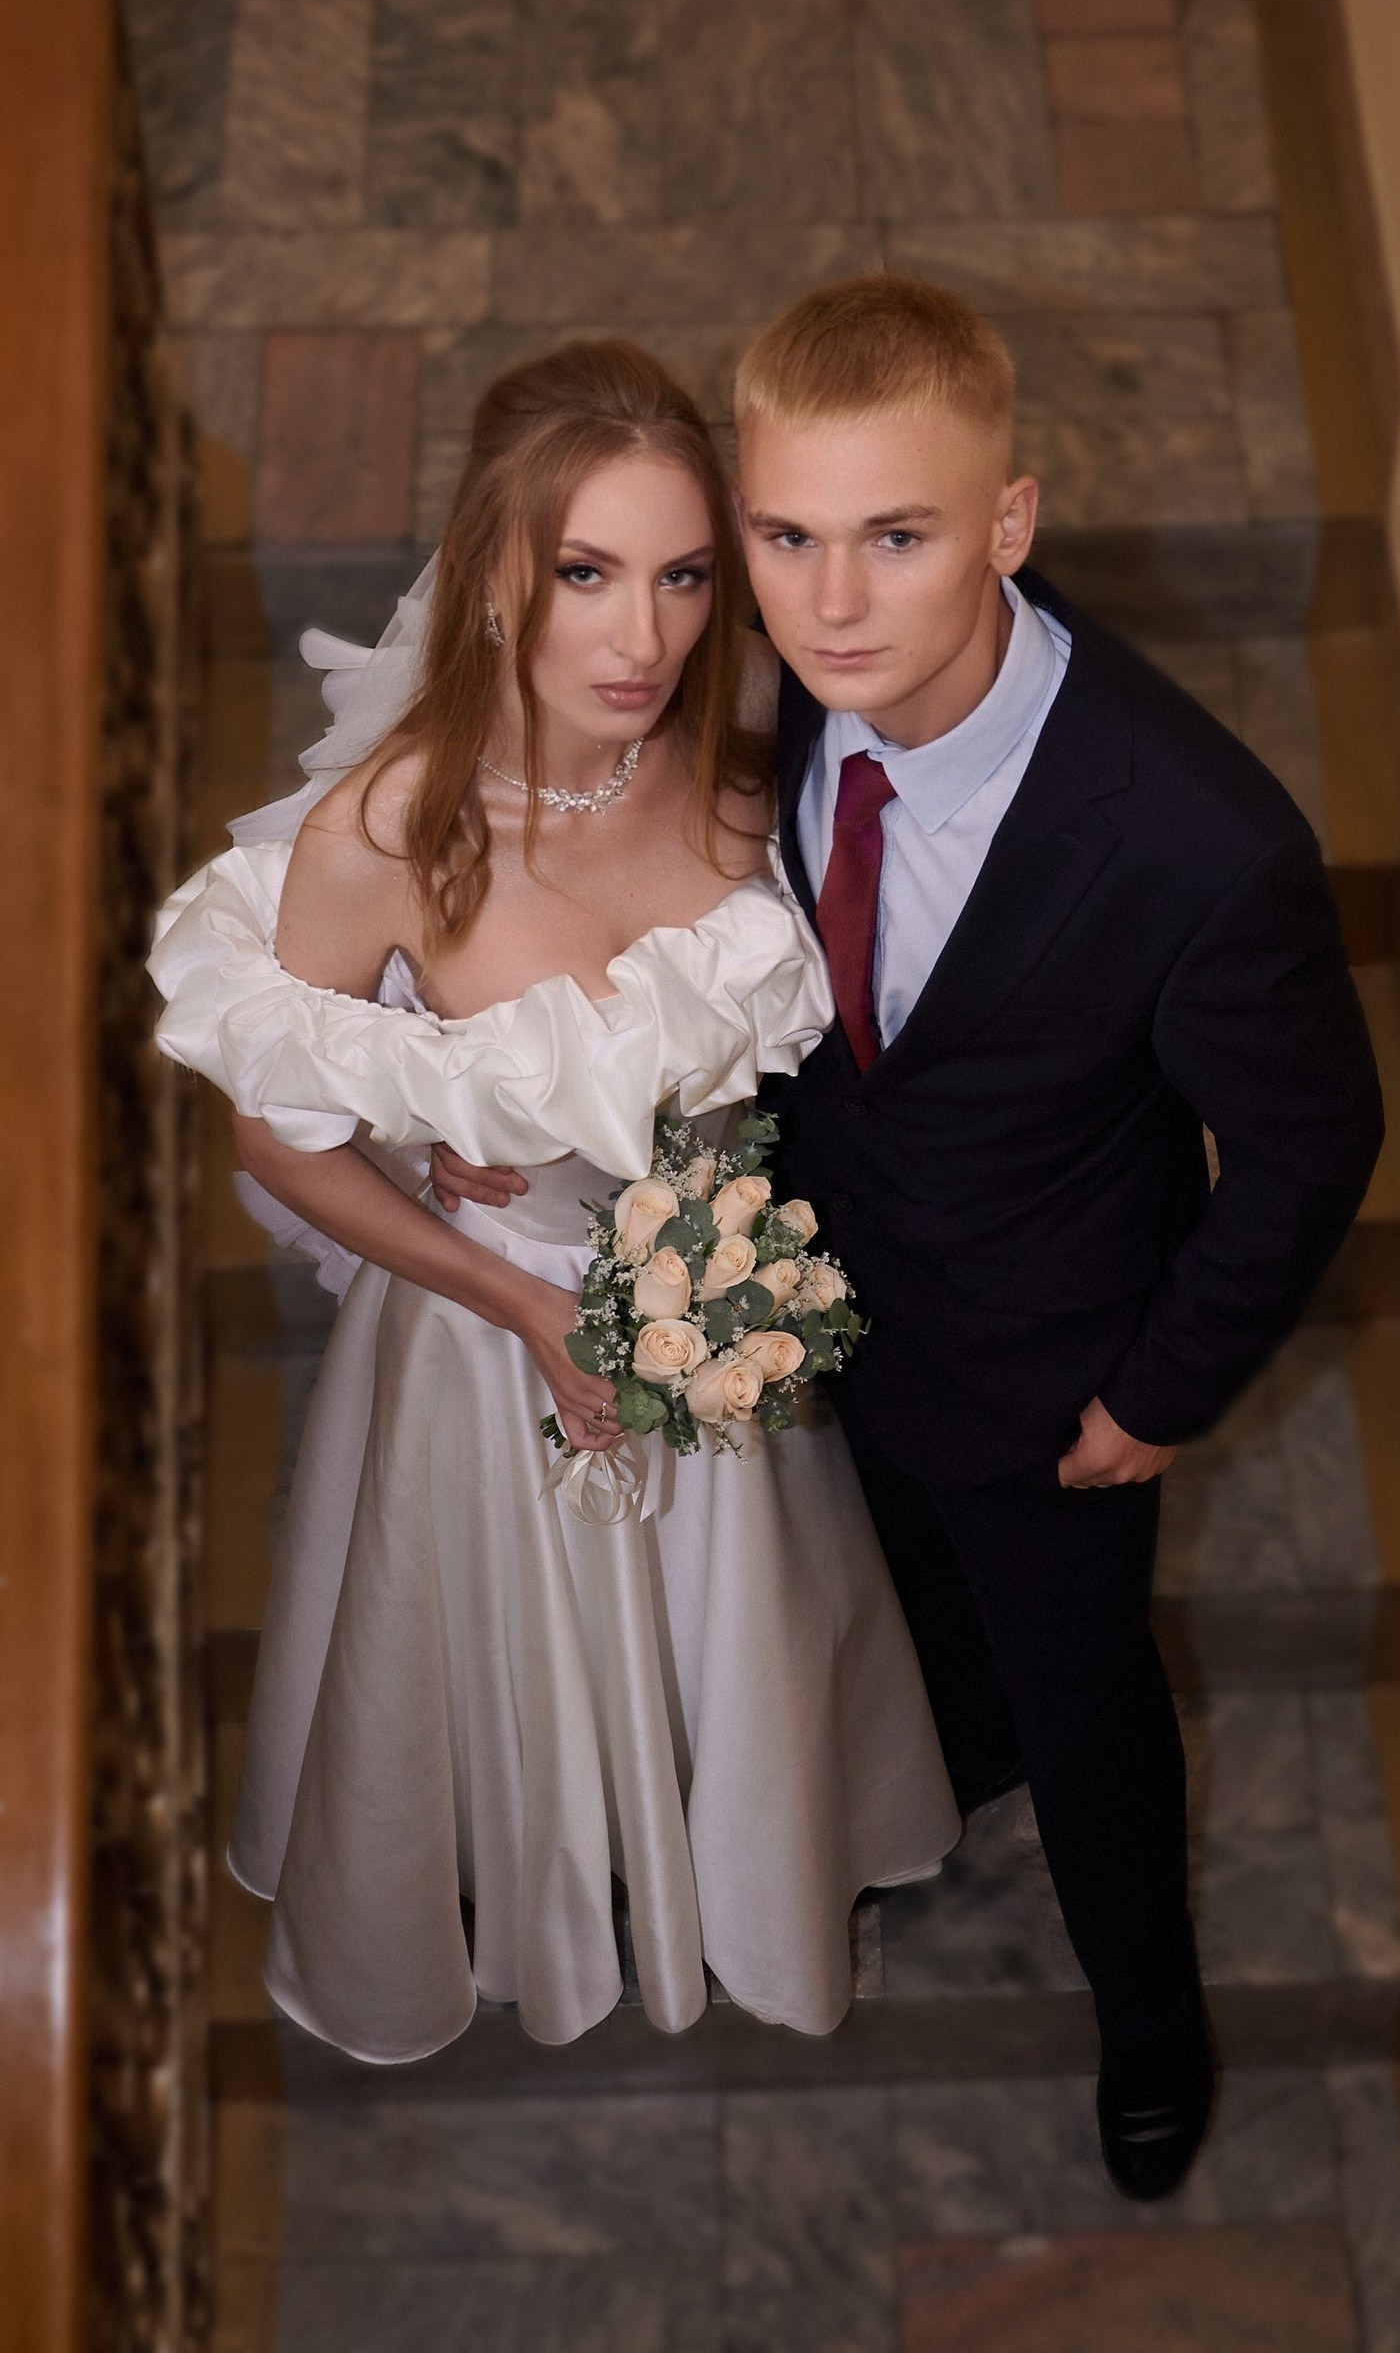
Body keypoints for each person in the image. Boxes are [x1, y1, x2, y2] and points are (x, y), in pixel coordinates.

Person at [433, 278, 1387, 2196]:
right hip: (809, 1309)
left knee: (1086, 1711)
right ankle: (910, 1782)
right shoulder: (769, 689)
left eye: (898, 537)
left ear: (1008, 524)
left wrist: (1160, 1396)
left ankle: (1151, 2022)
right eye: (785, 538)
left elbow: (1312, 1145)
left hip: (1052, 1384)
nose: (832, 603)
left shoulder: (1200, 841)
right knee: (868, 1613)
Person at [148, 338, 960, 2066]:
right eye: (587, 574)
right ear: (496, 574)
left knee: (741, 1639)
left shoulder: (752, 757)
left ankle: (742, 1881)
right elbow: (276, 1144)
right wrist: (519, 1297)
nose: (641, 639)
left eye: (683, 576)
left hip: (722, 1317)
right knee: (495, 1669)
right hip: (489, 1338)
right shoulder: (389, 831)